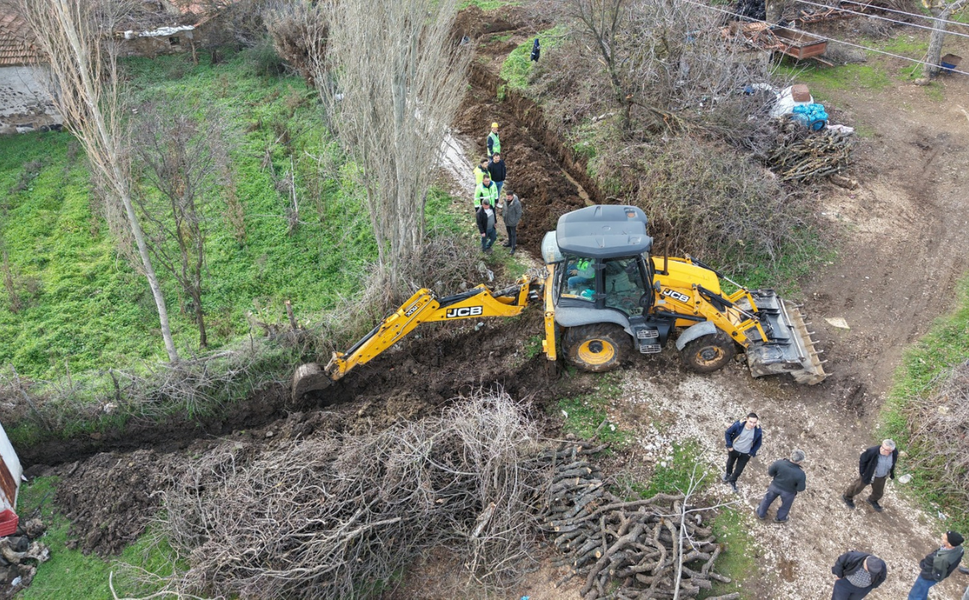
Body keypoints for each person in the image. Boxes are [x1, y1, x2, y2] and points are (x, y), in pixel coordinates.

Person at [842, 439, 898, 513]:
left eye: (885, 450)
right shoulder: (872, 451)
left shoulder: (894, 453)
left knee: (879, 492)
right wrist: (862, 472)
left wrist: (891, 473)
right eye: (882, 447)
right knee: (857, 487)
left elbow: (893, 463)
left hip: (881, 476)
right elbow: (862, 459)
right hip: (869, 474)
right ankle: (847, 497)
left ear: (891, 451)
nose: (882, 449)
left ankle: (872, 500)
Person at [907, 531, 964, 600]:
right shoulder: (958, 548)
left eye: (944, 539)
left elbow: (937, 574)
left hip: (928, 576)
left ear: (949, 544)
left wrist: (926, 571)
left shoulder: (942, 559)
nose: (941, 537)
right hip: (934, 573)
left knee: (915, 593)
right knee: (923, 589)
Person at [756, 449, 806, 523]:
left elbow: (770, 473)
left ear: (791, 456)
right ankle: (780, 518)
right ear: (800, 461)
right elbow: (800, 488)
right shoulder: (801, 474)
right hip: (788, 492)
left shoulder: (779, 463)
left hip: (775, 486)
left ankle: (761, 513)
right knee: (786, 505)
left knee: (767, 499)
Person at [723, 412, 762, 492]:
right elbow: (728, 433)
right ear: (747, 419)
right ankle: (728, 474)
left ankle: (732, 480)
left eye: (754, 422)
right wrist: (729, 445)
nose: (752, 424)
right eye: (750, 422)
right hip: (734, 449)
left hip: (745, 453)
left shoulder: (757, 430)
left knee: (739, 469)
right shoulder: (738, 426)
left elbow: (759, 442)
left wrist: (751, 452)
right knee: (730, 462)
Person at [500, 190, 522, 255]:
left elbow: (519, 213)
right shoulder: (505, 201)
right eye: (507, 196)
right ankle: (509, 243)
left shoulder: (517, 203)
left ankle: (513, 247)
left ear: (512, 196)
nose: (508, 198)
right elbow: (504, 209)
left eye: (509, 197)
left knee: (513, 234)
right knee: (509, 232)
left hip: (513, 222)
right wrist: (503, 216)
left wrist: (515, 221)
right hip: (507, 220)